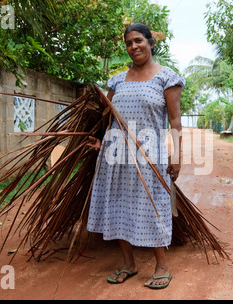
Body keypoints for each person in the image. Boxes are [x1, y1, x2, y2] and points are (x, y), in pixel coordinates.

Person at [86, 23, 185, 289]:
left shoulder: (167, 78)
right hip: (115, 156)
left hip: (149, 155)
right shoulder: (117, 80)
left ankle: (161, 265)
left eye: (139, 41)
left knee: (153, 208)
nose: (134, 47)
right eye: (129, 43)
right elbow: (106, 116)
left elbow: (175, 122)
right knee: (117, 207)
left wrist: (177, 158)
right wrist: (98, 141)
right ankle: (129, 263)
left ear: (151, 43)